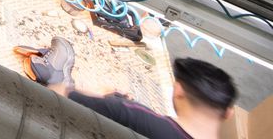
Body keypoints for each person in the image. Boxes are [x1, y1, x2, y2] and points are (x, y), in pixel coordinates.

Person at [21, 37, 237, 139]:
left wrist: (110, 101)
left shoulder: (135, 117)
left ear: (179, 90)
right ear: (228, 113)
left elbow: (54, 97)